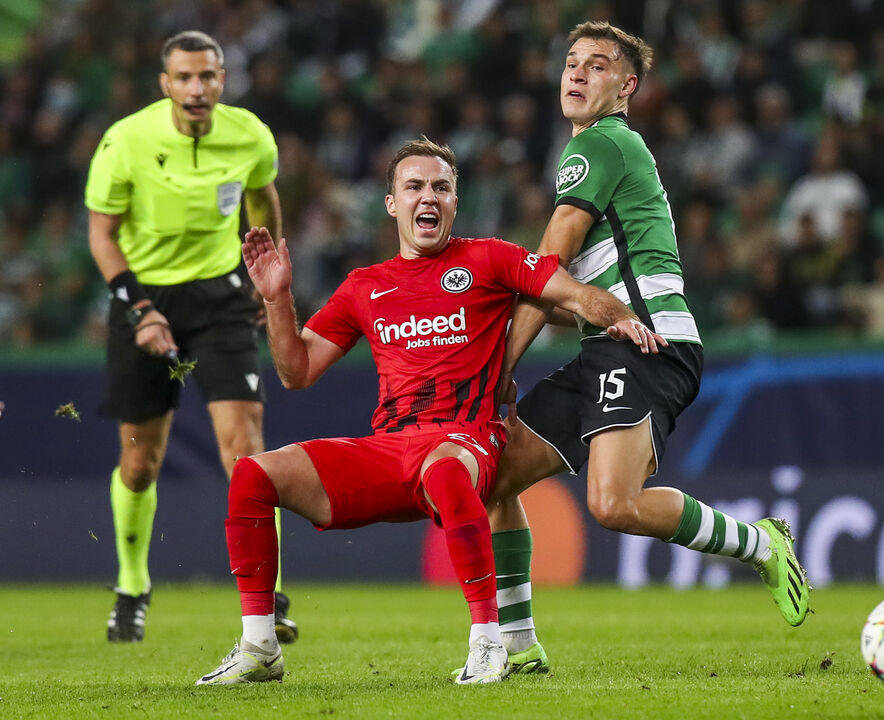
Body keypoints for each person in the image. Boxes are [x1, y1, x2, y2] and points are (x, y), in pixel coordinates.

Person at [195, 138, 665, 685]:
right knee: (253, 474)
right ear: (392, 203)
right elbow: (296, 371)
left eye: (441, 187)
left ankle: (489, 645)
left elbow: (575, 293)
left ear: (454, 201)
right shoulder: (363, 287)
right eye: (414, 187)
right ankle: (259, 645)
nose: (429, 197)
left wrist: (620, 316)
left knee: (444, 469)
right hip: (389, 447)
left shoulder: (490, 258)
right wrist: (277, 299)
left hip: (468, 439)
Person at [483, 21, 812, 675]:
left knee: (613, 503)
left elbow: (546, 266)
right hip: (607, 346)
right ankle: (518, 647)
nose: (577, 74)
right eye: (571, 63)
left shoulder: (600, 145)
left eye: (597, 66)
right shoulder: (598, 149)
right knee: (494, 478)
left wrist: (498, 368)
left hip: (648, 344)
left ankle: (761, 544)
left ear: (627, 87)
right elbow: (557, 285)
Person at [85, 30, 298, 643]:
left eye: (208, 76)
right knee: (139, 462)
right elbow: (102, 234)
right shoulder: (126, 141)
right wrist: (139, 307)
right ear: (165, 84)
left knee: (247, 451)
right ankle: (131, 585)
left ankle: (268, 595)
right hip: (143, 296)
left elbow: (263, 196)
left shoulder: (250, 134)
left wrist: (268, 283)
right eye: (185, 78)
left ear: (222, 78)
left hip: (220, 297)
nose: (197, 89)